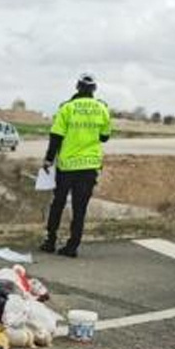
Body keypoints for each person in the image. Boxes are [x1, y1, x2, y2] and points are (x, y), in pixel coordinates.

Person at [41, 73, 112, 258]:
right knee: (80, 208)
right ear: (94, 89)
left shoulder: (67, 108)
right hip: (89, 166)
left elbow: (55, 136)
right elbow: (105, 136)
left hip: (67, 166)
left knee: (58, 203)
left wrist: (48, 159)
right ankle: (72, 246)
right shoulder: (102, 109)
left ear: (77, 87)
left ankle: (50, 241)